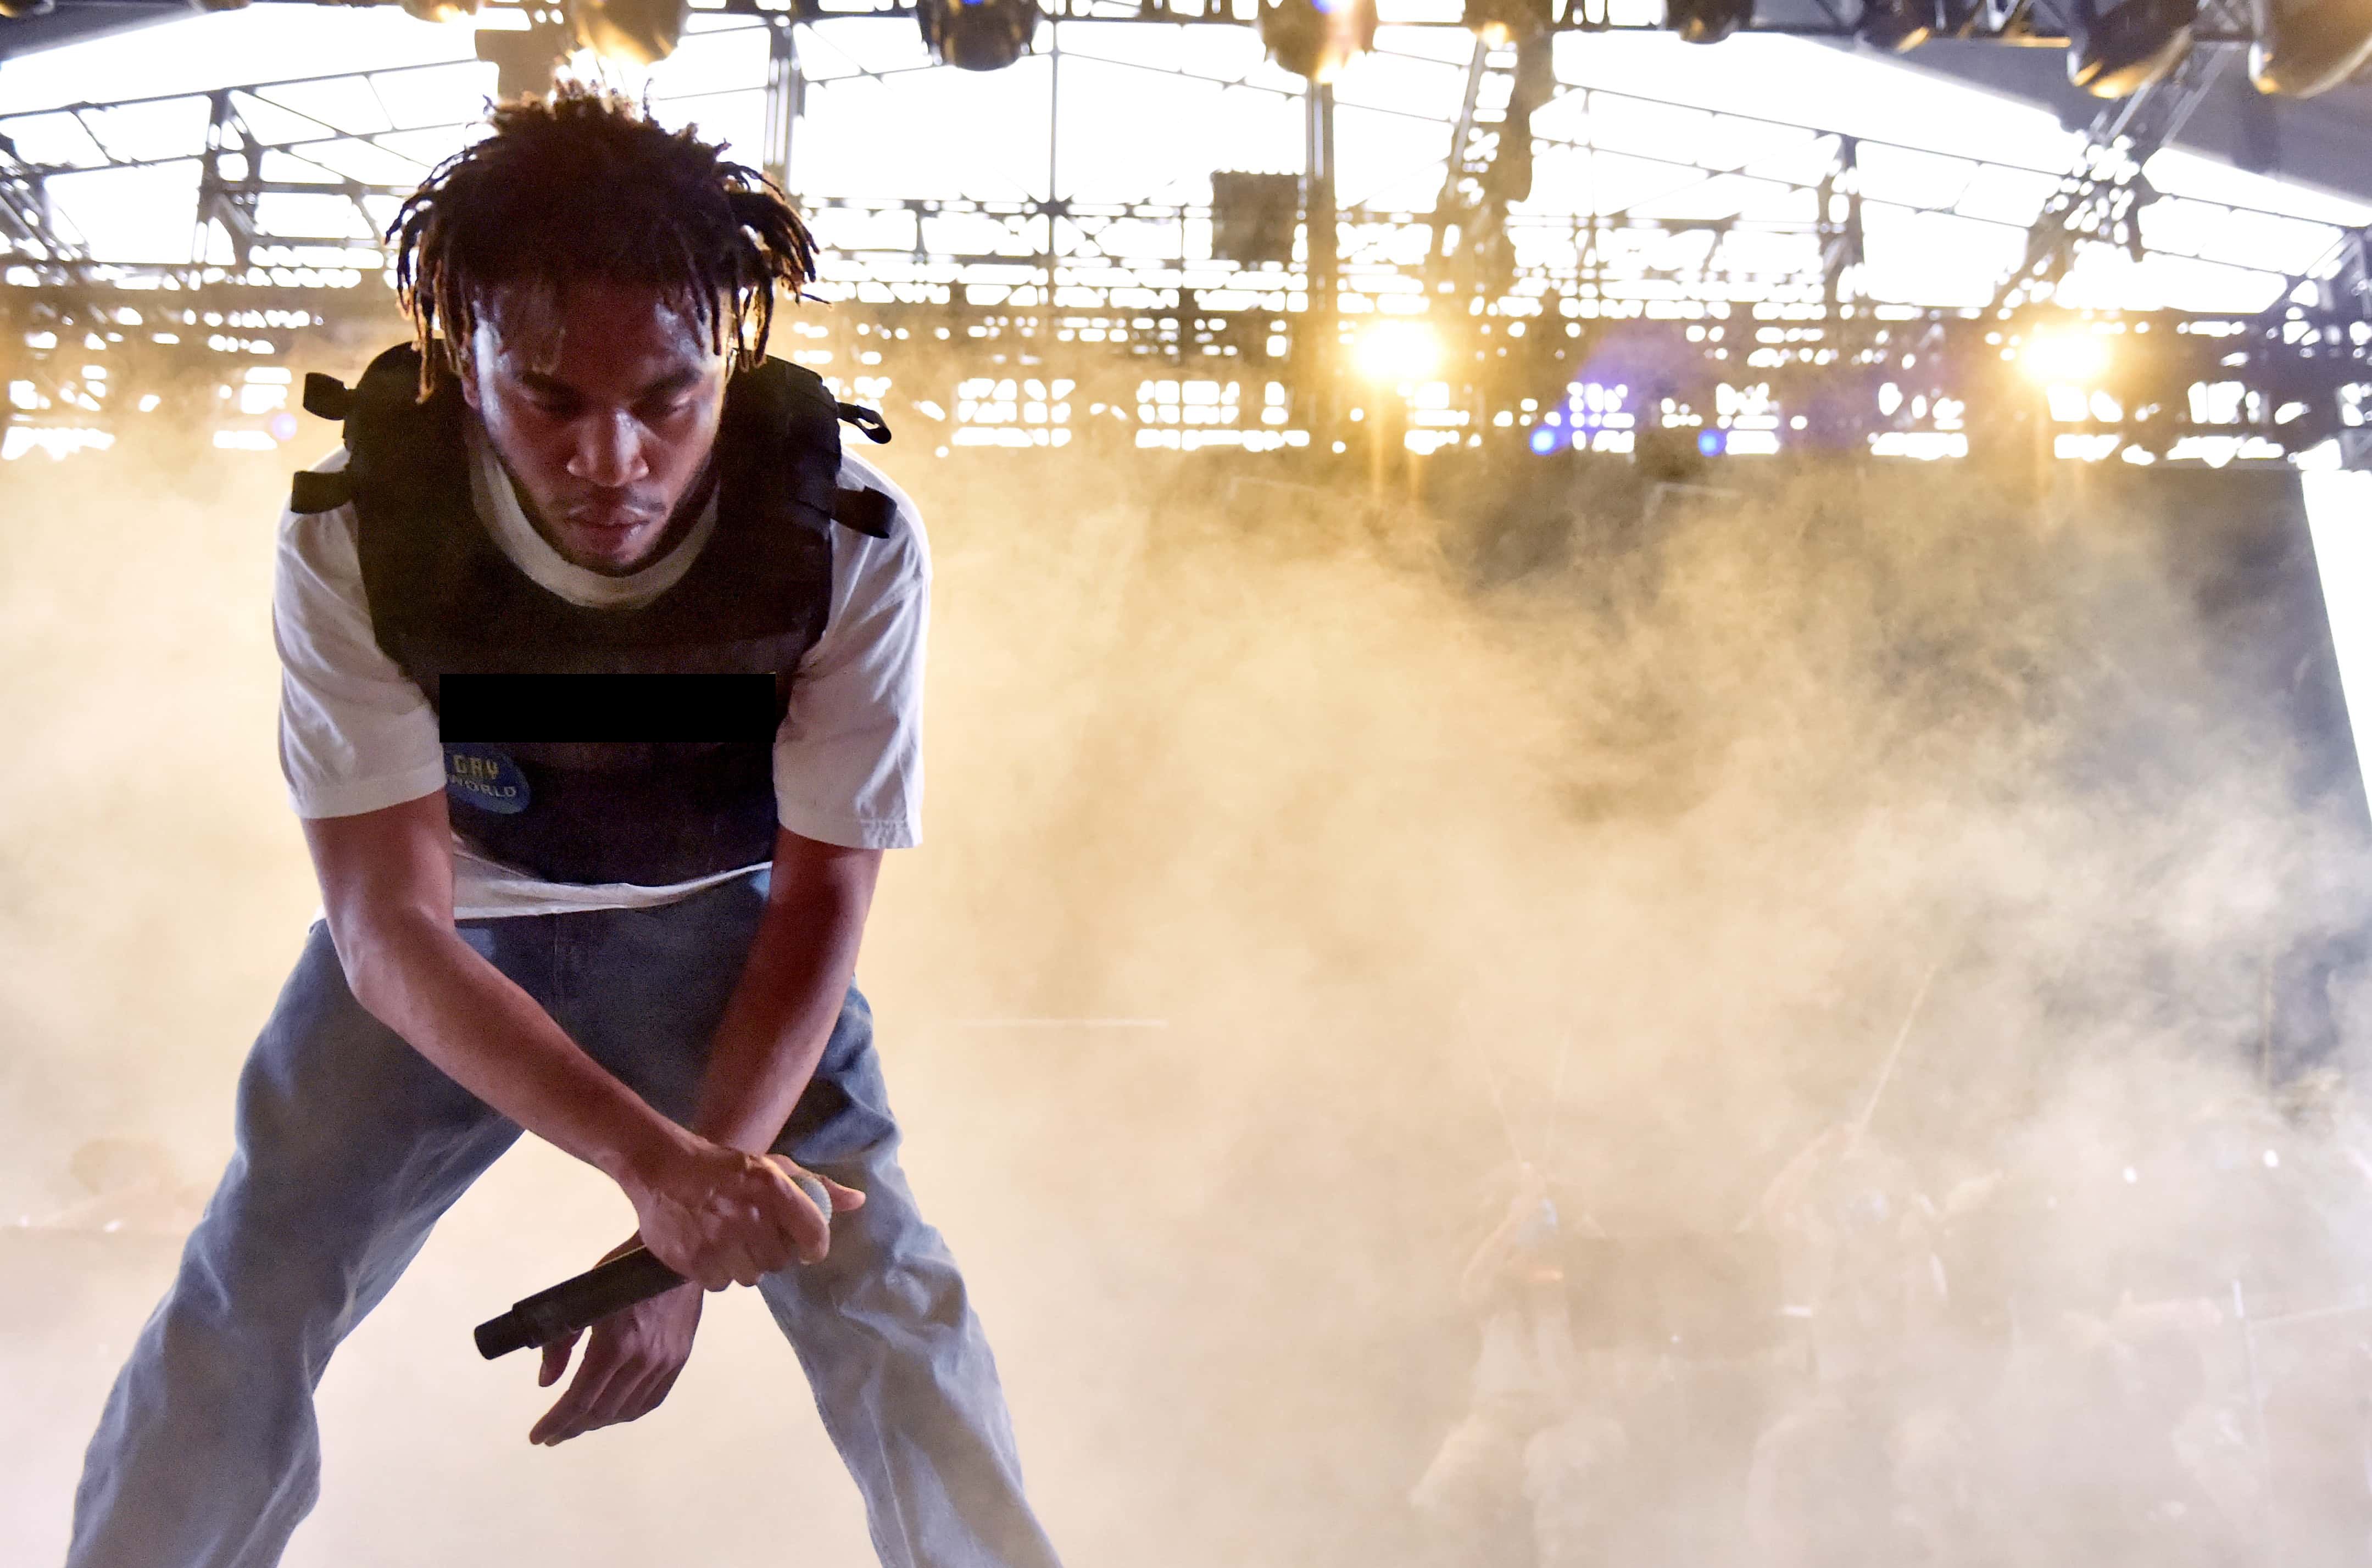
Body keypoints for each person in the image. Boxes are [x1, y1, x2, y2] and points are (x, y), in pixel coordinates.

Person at [66, 87, 1062, 1568]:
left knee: (892, 1301)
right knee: (249, 1294)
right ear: (462, 369)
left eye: (666, 401)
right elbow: (390, 928)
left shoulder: (849, 534)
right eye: (552, 399)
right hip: (458, 942)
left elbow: (818, 906)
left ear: (726, 360)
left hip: (729, 940)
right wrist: (660, 1180)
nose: (613, 461)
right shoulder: (355, 528)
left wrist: (694, 1209)